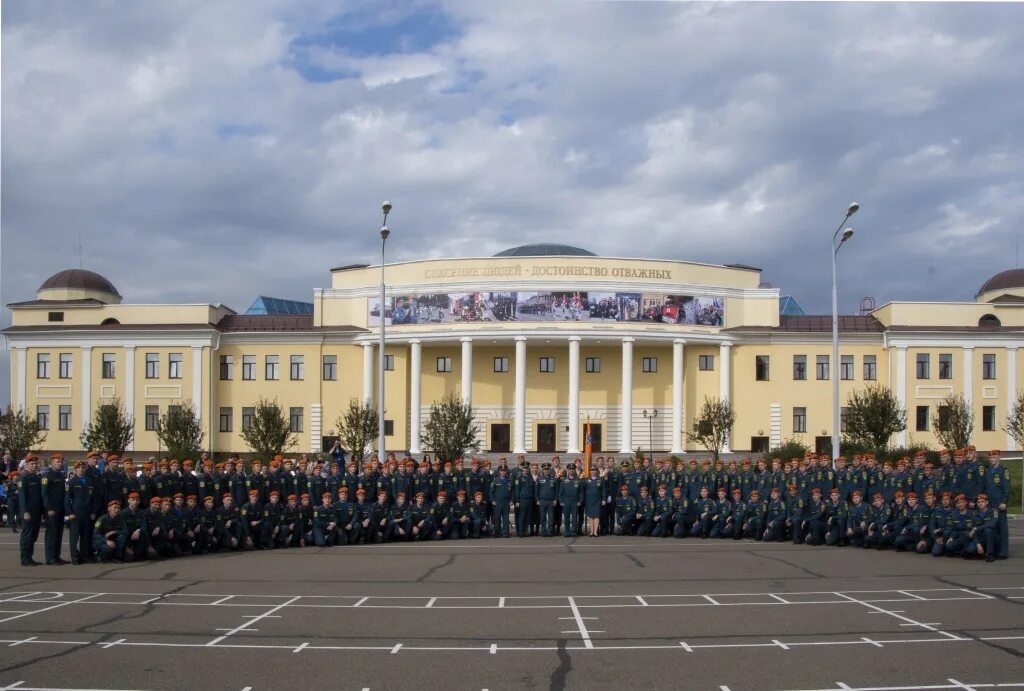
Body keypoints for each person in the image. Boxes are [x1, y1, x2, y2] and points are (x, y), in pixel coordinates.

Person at [17, 455, 44, 566]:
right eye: (32, 464)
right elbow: (22, 496)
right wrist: (25, 511)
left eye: (36, 464)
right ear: (27, 465)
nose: (34, 466)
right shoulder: (23, 478)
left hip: (37, 511)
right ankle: (25, 558)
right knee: (27, 535)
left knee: (34, 535)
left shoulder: (37, 478)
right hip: (28, 511)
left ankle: (30, 557)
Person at [41, 453, 68, 565]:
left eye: (61, 462)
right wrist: (49, 508)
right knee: (51, 533)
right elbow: (44, 494)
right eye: (57, 461)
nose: (60, 464)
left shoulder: (61, 476)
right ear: (52, 462)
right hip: (51, 509)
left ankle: (56, 555)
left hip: (60, 508)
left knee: (59, 533)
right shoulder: (47, 476)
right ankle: (50, 557)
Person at [583, 466, 605, 537]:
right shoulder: (586, 480)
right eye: (592, 470)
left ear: (597, 471)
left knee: (596, 516)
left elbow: (604, 490)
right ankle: (591, 531)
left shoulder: (601, 479)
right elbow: (583, 491)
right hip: (589, 500)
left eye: (595, 470)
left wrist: (604, 499)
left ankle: (595, 532)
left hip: (598, 500)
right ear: (590, 471)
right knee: (590, 516)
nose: (593, 471)